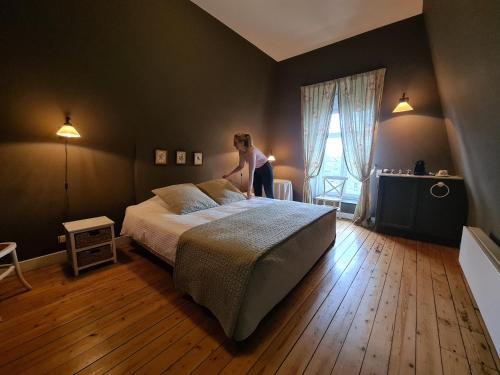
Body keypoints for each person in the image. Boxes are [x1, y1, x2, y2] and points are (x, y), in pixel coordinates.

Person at [223, 133, 274, 199]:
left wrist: (249, 190)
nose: (234, 145)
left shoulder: (252, 152)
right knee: (257, 194)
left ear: (242, 143)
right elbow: (240, 166)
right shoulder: (241, 151)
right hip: (256, 169)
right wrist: (228, 174)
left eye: (236, 143)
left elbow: (251, 172)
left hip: (265, 168)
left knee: (269, 194)